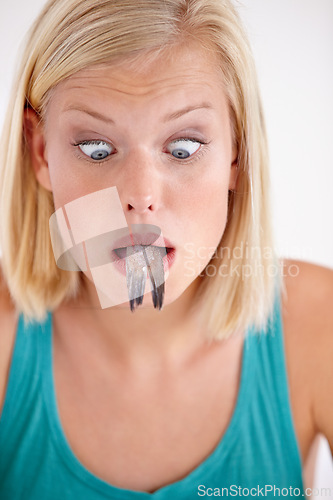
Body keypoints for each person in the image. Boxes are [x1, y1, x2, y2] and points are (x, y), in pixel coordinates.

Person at [0, 0, 332, 498]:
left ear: (237, 153)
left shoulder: (319, 325)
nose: (141, 198)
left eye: (182, 149)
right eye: (95, 148)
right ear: (41, 152)